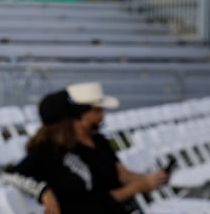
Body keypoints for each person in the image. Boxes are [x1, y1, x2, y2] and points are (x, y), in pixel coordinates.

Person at [0, 89, 122, 214]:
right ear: (64, 122)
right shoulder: (45, 151)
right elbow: (9, 176)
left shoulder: (75, 147)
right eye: (75, 116)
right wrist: (43, 191)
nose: (79, 120)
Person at [67, 82, 170, 212]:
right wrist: (136, 187)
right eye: (97, 111)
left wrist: (152, 179)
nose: (102, 117)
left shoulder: (99, 141)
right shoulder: (68, 152)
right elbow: (92, 202)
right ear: (79, 115)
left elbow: (122, 173)